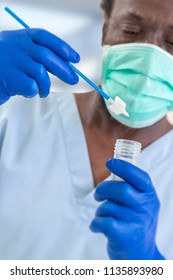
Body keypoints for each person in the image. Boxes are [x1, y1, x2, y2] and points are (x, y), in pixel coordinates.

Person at [0, 0, 173, 260]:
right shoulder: (16, 115)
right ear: (106, 30)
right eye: (130, 29)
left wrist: (148, 265)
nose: (149, 57)